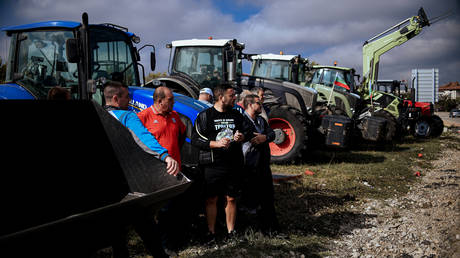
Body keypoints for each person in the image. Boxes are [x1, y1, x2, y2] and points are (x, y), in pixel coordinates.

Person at [103, 80, 177, 258]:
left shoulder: (96, 115)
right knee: (145, 223)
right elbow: (143, 138)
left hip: (107, 186)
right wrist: (165, 156)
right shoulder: (126, 116)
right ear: (115, 98)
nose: (130, 100)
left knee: (117, 231)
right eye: (127, 96)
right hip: (129, 182)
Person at [191, 83, 250, 240]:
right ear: (221, 97)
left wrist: (241, 137)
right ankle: (211, 232)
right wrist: (216, 144)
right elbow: (195, 139)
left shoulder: (237, 115)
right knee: (212, 198)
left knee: (231, 198)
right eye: (232, 95)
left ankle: (231, 232)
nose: (235, 98)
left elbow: (247, 132)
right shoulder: (205, 116)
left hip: (233, 164)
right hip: (213, 165)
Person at [242, 94, 280, 233]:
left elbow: (272, 134)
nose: (261, 105)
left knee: (267, 196)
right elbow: (250, 138)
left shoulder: (261, 121)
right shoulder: (243, 121)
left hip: (263, 165)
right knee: (250, 197)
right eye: (258, 103)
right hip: (249, 166)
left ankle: (269, 227)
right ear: (250, 104)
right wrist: (262, 137)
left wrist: (265, 137)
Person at [137, 86, 186, 170]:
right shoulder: (143, 117)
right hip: (155, 169)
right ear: (160, 101)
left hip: (175, 167)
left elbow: (183, 133)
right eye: (170, 100)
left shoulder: (175, 115)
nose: (173, 102)